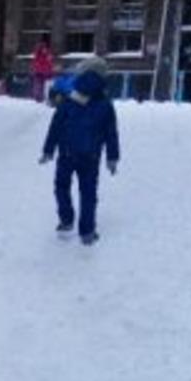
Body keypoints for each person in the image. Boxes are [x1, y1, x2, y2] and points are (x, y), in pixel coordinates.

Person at [41, 56, 119, 246]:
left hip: (66, 153)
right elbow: (111, 133)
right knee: (88, 193)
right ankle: (87, 232)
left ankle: (67, 220)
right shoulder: (105, 104)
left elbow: (56, 126)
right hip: (91, 156)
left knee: (61, 186)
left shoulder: (69, 99)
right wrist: (112, 157)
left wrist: (48, 150)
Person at [31, 34, 55, 103]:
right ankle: (40, 97)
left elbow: (49, 60)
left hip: (43, 69)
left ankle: (40, 97)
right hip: (43, 69)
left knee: (41, 84)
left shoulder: (42, 49)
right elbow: (47, 59)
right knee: (41, 84)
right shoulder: (43, 49)